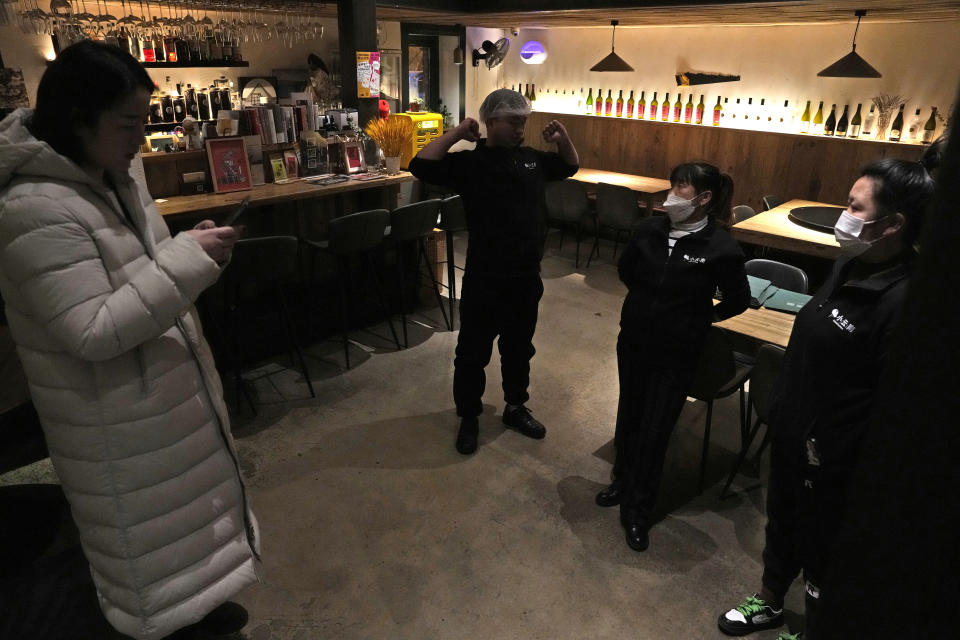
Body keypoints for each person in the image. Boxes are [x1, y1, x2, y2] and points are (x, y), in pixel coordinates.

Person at [0, 41, 258, 639]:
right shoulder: (29, 208)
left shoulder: (113, 172)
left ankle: (202, 604)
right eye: (129, 123)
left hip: (160, 390)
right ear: (76, 119)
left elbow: (142, 267)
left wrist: (182, 247)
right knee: (146, 544)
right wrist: (186, 260)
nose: (141, 137)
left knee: (190, 519)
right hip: (114, 411)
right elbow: (91, 330)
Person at [717, 158, 936, 640]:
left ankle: (815, 626)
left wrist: (836, 447)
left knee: (825, 546)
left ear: (893, 224)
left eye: (855, 207)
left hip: (837, 457)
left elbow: (893, 405)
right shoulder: (848, 264)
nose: (845, 216)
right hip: (796, 431)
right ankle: (771, 600)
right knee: (783, 523)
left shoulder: (905, 300)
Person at [408, 88, 579, 455]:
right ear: (491, 121)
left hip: (526, 275)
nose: (521, 128)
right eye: (514, 121)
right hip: (486, 275)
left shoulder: (533, 160)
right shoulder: (471, 163)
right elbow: (420, 165)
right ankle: (468, 416)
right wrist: (457, 132)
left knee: (519, 348)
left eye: (524, 122)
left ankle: (516, 407)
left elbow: (569, 166)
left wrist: (563, 139)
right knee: (472, 351)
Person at [595, 162, 749, 552]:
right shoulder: (648, 230)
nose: (672, 194)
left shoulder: (721, 247)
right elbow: (627, 272)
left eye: (681, 188)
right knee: (629, 413)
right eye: (673, 185)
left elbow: (737, 299)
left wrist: (700, 319)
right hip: (633, 342)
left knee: (657, 427)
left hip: (678, 352)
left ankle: (639, 509)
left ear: (703, 198)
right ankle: (620, 480)